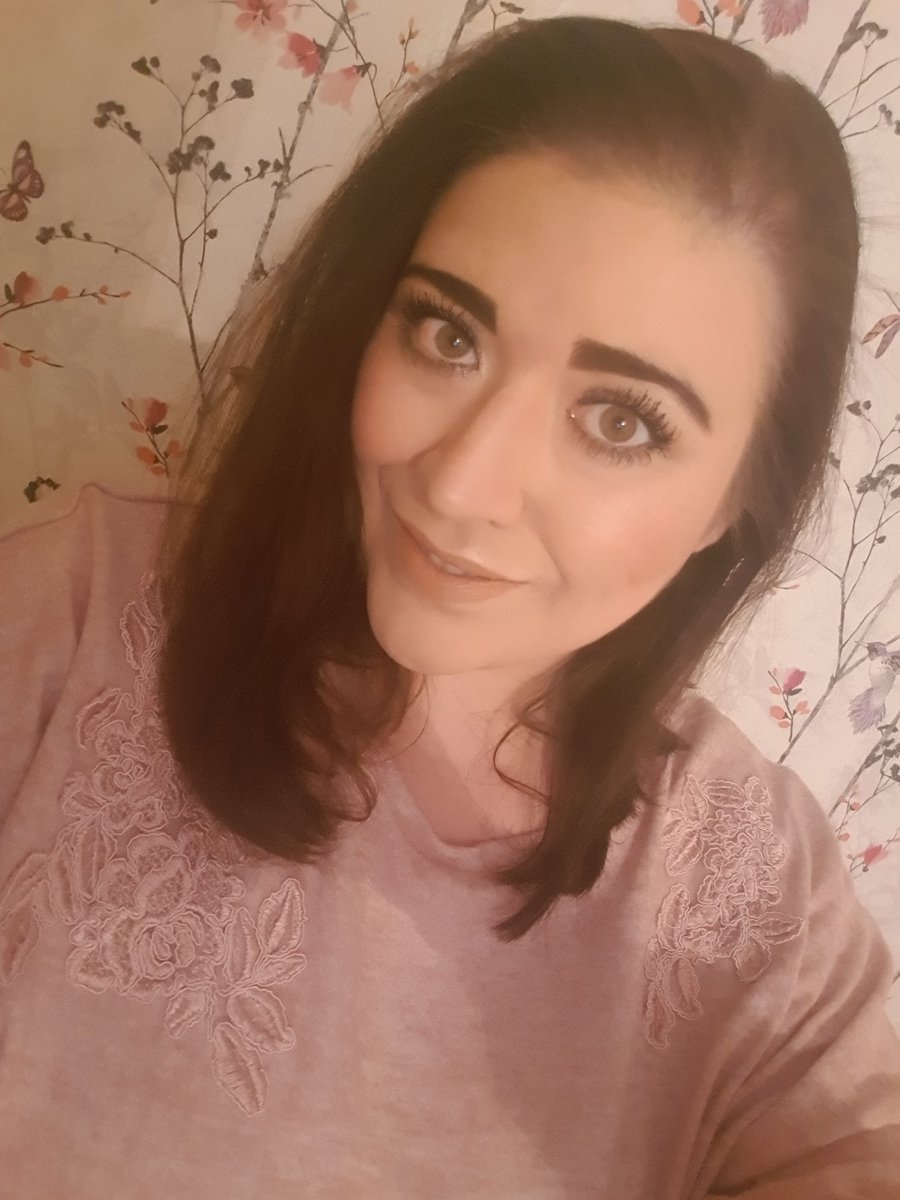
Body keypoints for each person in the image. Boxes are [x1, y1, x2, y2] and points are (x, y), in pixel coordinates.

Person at [1, 14, 899, 1198]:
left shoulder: (759, 897)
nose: (461, 483)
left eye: (620, 420)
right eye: (447, 333)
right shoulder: (73, 618)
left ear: (735, 500)